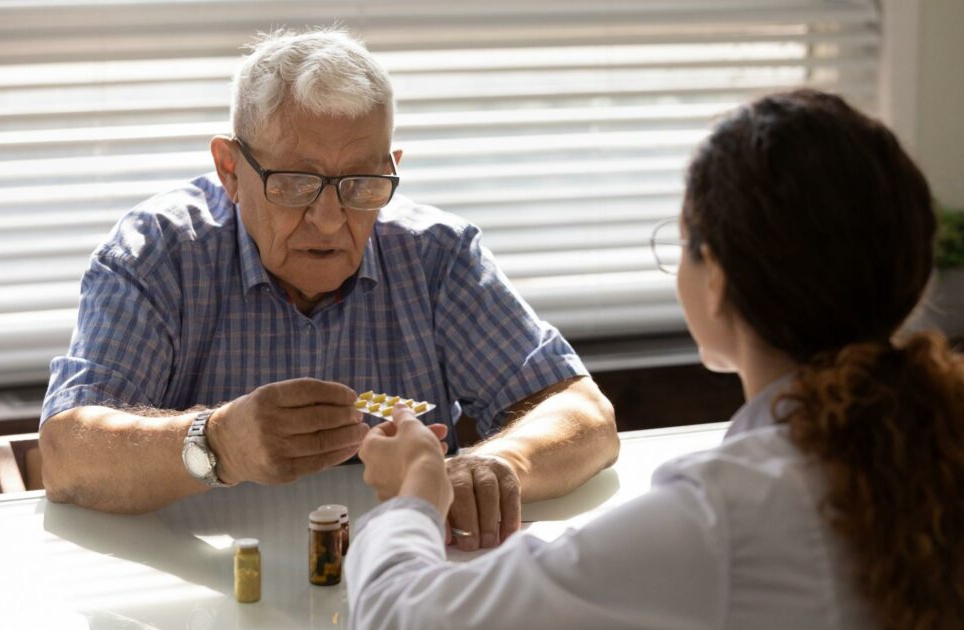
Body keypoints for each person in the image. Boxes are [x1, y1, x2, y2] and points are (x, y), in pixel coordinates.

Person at [346, 89, 964, 630]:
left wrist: (412, 498)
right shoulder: (929, 442)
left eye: (686, 244)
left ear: (716, 278)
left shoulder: (721, 517)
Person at [37, 27, 619, 545]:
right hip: (202, 587)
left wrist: (497, 464)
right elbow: (67, 456)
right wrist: (218, 443)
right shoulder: (158, 254)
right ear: (230, 170)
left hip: (399, 585)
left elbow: (583, 414)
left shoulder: (435, 254)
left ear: (391, 166)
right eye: (295, 183)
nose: (330, 219)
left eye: (362, 183)